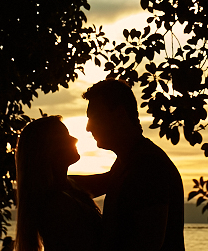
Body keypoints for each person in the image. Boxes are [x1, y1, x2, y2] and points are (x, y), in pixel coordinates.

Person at [72, 79, 185, 251]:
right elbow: (95, 184)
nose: (88, 127)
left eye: (94, 117)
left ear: (119, 114)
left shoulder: (148, 167)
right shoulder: (129, 163)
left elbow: (148, 243)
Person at [14, 115, 102, 251]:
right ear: (49, 149)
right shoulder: (57, 204)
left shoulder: (69, 186)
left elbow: (111, 177)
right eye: (64, 136)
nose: (75, 139)